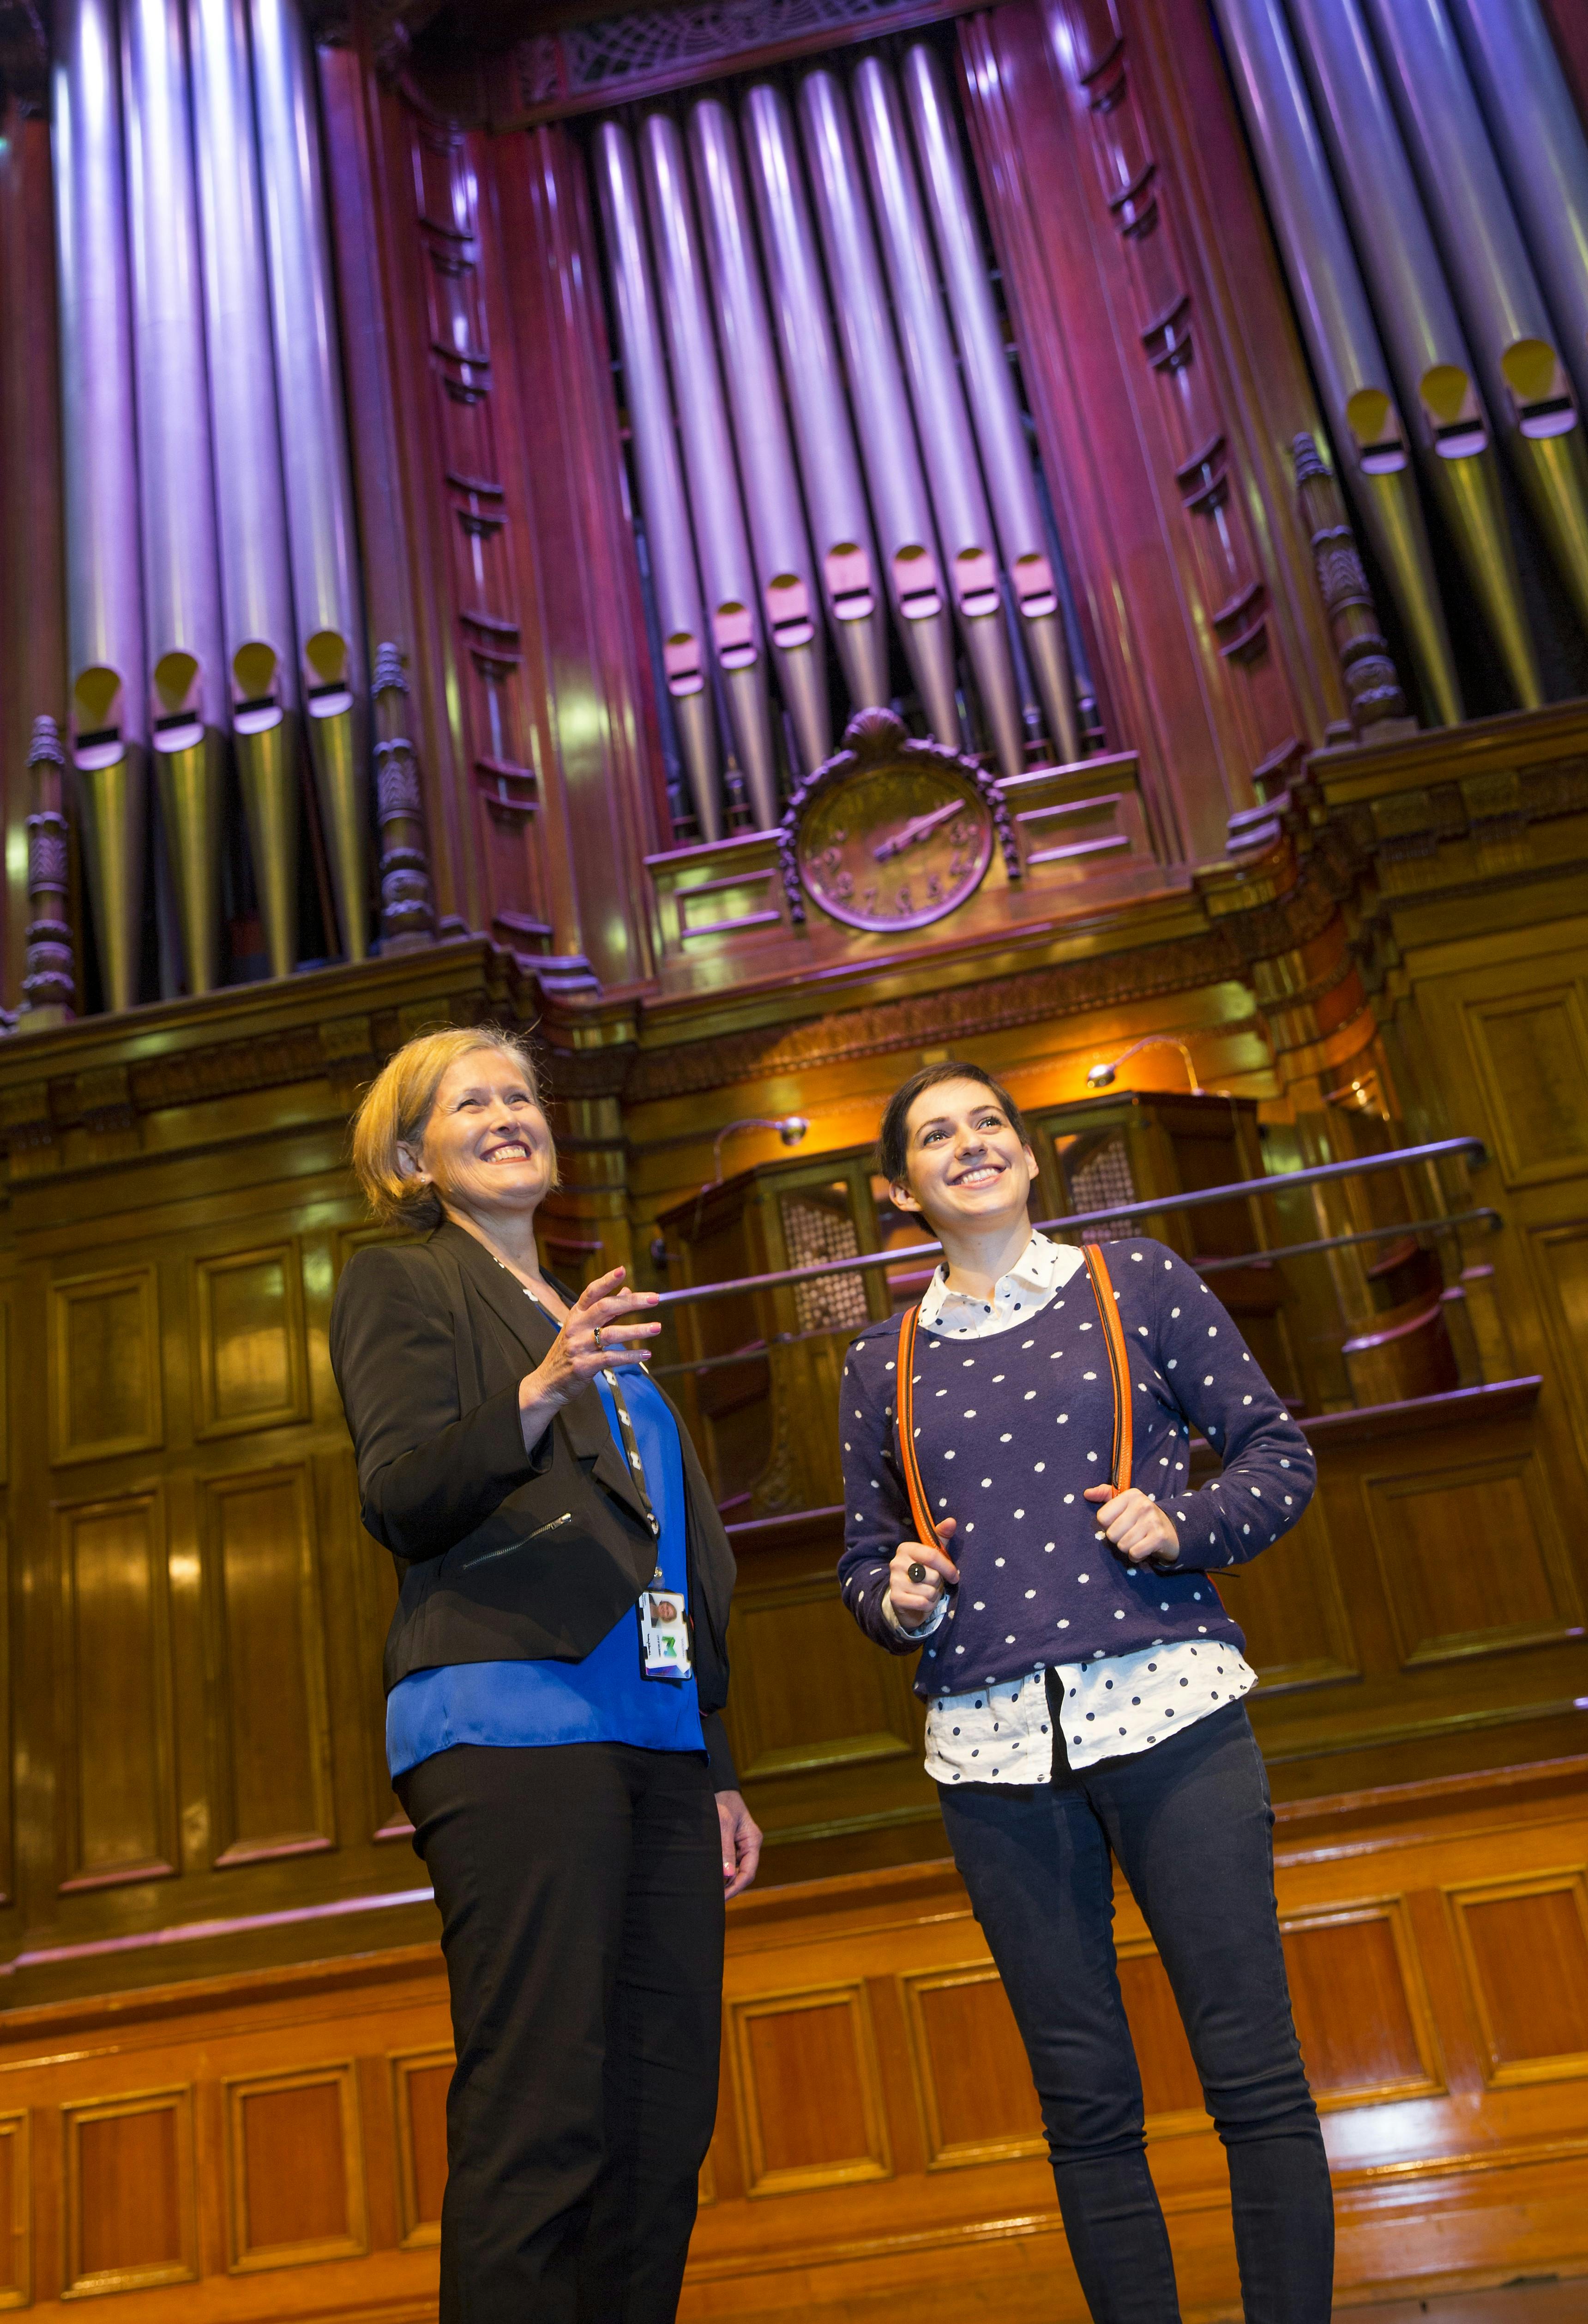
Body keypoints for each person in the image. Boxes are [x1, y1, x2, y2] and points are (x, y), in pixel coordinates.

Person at [836, 1060, 1334, 2322]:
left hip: (1174, 1716)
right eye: (936, 1136)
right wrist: (898, 1595)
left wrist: (1185, 1525)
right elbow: (861, 1561)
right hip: (993, 1762)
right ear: (901, 1189)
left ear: (1029, 1154)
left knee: (1252, 2073)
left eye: (989, 1121)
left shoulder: (1138, 1281)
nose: (971, 1144)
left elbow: (1280, 1453)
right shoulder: (877, 1359)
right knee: (1087, 2106)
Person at [331, 1025, 761, 2324]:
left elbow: (666, 1551)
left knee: (659, 2113)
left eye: (523, 1095)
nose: (512, 1113)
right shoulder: (401, 1281)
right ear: (416, 1153)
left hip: (662, 1745)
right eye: (475, 1101)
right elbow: (404, 1491)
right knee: (547, 2112)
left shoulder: (587, 1311)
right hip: (509, 1721)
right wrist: (534, 1389)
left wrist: (721, 1766)